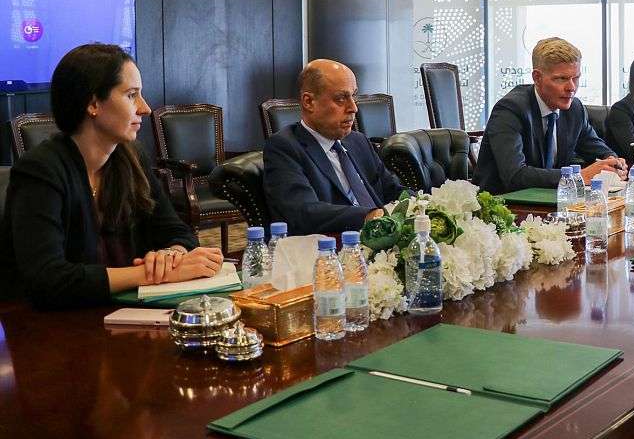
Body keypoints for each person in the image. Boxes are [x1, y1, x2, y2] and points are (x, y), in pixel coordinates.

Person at [0, 44, 223, 309]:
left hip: (121, 313)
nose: (145, 108)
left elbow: (177, 231)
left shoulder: (131, 157)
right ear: (93, 104)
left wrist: (170, 256)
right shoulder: (40, 170)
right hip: (52, 324)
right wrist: (152, 275)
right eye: (131, 95)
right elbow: (48, 280)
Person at [263, 59, 406, 235]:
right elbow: (303, 212)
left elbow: (392, 190)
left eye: (353, 96)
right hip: (337, 244)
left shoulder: (358, 141)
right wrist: (368, 217)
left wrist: (421, 204)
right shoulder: (284, 147)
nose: (353, 108)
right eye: (340, 98)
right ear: (309, 102)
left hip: (386, 237)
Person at [473, 37, 626, 194]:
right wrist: (579, 176)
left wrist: (612, 162)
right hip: (503, 202)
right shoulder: (510, 109)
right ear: (537, 78)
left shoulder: (574, 108)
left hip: (553, 200)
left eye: (576, 78)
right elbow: (515, 176)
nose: (571, 87)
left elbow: (596, 148)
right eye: (561, 79)